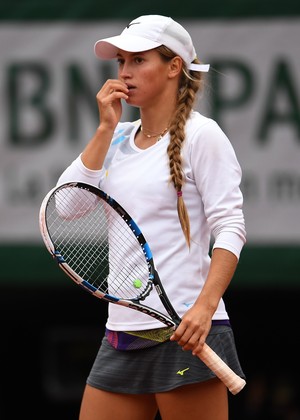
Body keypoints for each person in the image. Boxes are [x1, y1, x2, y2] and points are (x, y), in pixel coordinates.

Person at [57, 14, 246, 420]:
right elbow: (66, 208)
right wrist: (106, 128)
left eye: (138, 60)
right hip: (121, 335)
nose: (125, 72)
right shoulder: (116, 138)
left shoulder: (203, 135)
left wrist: (204, 307)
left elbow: (230, 227)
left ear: (174, 66)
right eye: (121, 61)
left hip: (188, 332)